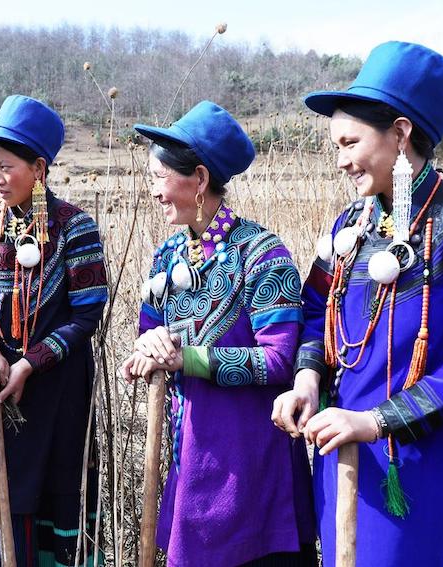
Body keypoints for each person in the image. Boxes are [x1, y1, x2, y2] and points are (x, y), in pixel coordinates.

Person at [271, 41, 443, 565]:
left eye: (350, 143)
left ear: (401, 133)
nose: (341, 160)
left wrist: (377, 421)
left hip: (424, 466)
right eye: (336, 146)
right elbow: (312, 312)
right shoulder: (351, 226)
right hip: (345, 455)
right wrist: (307, 379)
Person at [119, 100, 316, 566]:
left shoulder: (263, 254)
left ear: (201, 180)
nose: (152, 192)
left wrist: (187, 359)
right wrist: (146, 350)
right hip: (191, 458)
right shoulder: (167, 256)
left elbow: (278, 361)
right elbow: (150, 334)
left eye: (158, 178)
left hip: (250, 464)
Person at [0, 95, 109, 566]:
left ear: (39, 167)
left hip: (58, 387)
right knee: (1, 486)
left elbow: (86, 314)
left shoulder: (74, 229)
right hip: (0, 386)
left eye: (6, 167)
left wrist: (29, 362)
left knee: (56, 485)